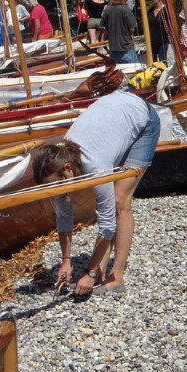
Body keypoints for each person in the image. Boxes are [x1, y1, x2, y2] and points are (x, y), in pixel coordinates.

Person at [27, 90, 160, 296]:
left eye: (57, 185)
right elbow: (64, 215)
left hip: (144, 121)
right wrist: (66, 261)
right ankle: (99, 270)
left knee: (119, 201)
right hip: (117, 114)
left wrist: (87, 272)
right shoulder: (57, 163)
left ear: (68, 169)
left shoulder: (95, 166)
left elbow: (107, 222)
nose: (57, 191)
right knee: (109, 203)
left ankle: (116, 276)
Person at [101, 0, 138, 64]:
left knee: (117, 74)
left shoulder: (107, 9)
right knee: (135, 73)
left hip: (113, 49)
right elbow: (132, 28)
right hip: (127, 48)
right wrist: (131, 37)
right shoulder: (126, 9)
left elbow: (103, 27)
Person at [147, 0, 171, 65]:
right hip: (152, 41)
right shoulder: (150, 11)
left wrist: (170, 37)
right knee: (152, 62)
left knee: (162, 60)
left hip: (162, 40)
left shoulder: (166, 10)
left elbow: (170, 25)